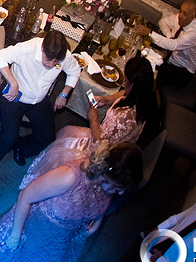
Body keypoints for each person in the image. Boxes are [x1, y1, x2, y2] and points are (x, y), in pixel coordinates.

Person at [0, 141, 144, 262]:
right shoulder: (69, 176)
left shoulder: (105, 185)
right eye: (118, 187)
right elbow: (25, 196)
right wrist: (15, 235)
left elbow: (98, 210)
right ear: (107, 173)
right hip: (31, 229)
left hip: (59, 241)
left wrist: (92, 226)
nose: (120, 193)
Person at [27, 57, 158, 184]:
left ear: (133, 84)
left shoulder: (125, 118)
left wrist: (94, 120)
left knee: (65, 146)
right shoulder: (142, 98)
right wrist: (105, 100)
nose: (124, 83)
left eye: (126, 80)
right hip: (104, 139)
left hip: (101, 153)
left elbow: (103, 147)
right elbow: (122, 94)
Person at [0, 31, 80, 173]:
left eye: (56, 62)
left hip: (39, 100)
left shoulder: (64, 56)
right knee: (9, 137)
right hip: (14, 98)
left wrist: (64, 94)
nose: (51, 65)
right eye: (49, 59)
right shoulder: (27, 48)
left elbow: (75, 71)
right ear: (42, 48)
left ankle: (21, 147)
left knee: (47, 137)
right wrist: (13, 82)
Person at [135, 0, 196, 89]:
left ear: (192, 17)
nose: (180, 16)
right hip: (170, 59)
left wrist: (150, 33)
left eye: (185, 14)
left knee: (150, 69)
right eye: (180, 11)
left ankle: (149, 91)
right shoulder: (179, 18)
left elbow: (173, 45)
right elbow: (162, 22)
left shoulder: (193, 33)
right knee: (141, 54)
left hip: (183, 71)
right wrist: (170, 36)